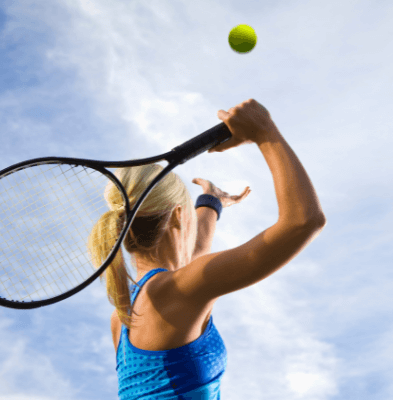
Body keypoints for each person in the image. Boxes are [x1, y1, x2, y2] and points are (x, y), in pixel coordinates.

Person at [87, 99, 327, 399]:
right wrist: (264, 132)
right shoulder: (177, 290)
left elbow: (192, 256)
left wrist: (210, 202)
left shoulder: (124, 317)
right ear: (177, 215)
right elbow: (303, 222)